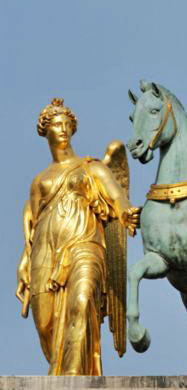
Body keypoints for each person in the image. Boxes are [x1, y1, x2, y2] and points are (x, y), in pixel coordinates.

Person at [16, 98, 139, 375]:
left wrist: (126, 213)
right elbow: (33, 228)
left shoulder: (91, 167)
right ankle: (59, 371)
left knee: (82, 302)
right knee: (45, 323)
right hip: (45, 254)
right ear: (45, 131)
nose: (62, 129)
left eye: (66, 124)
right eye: (56, 124)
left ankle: (73, 377)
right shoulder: (39, 181)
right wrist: (24, 263)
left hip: (85, 245)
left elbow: (116, 196)